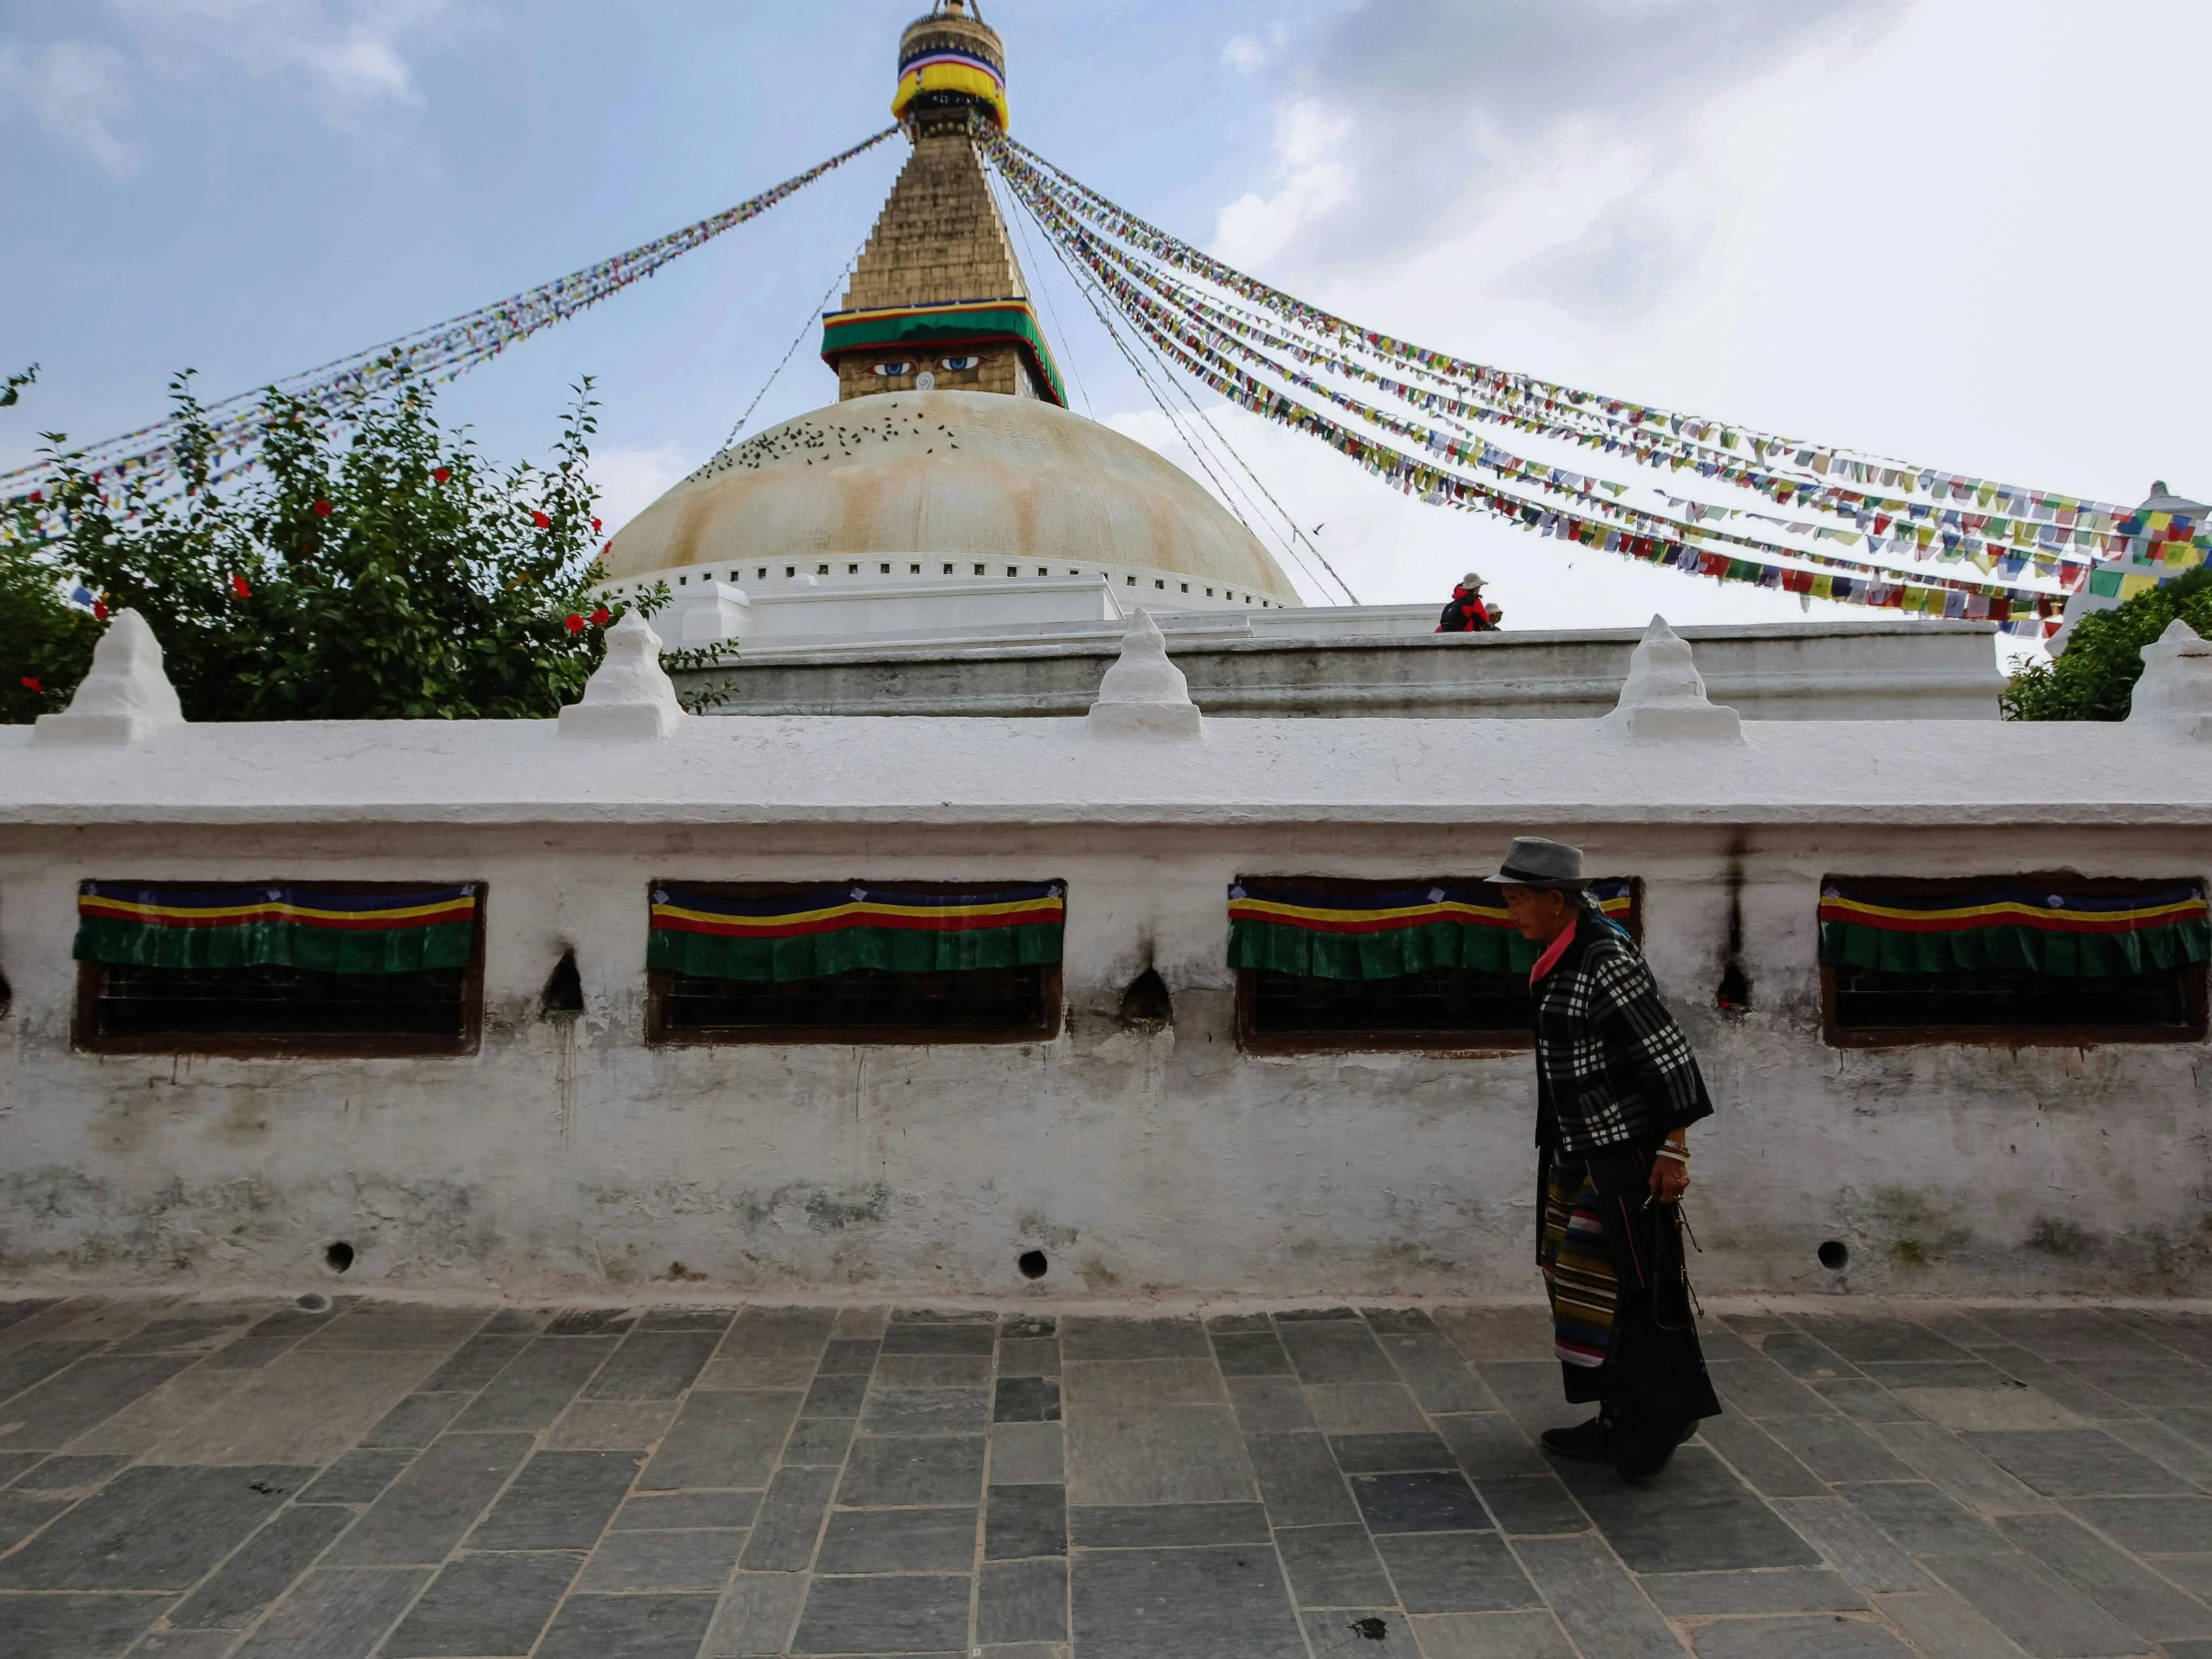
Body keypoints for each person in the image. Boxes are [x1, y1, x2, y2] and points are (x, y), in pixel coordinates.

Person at [1491, 834, 1720, 1481]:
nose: (1512, 913)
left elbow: (1669, 1056)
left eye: (1517, 901)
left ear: (1555, 900)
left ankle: (1666, 1414)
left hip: (1623, 1155)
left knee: (1638, 1290)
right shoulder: (1561, 955)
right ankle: (1617, 1416)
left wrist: (1674, 1150)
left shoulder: (1605, 957)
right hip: (1575, 1151)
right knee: (1584, 1286)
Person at [1435, 571, 1501, 632]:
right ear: (1475, 587)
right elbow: (1485, 618)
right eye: (1479, 587)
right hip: (1467, 635)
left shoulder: (1454, 603)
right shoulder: (1474, 600)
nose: (1479, 589)